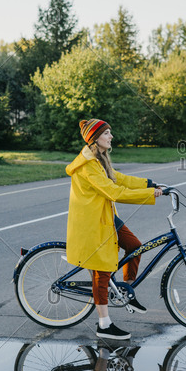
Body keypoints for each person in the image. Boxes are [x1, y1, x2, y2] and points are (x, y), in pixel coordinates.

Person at [66, 118, 163, 340]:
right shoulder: (88, 165)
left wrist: (149, 184)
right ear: (95, 138)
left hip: (106, 216)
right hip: (92, 223)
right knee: (102, 270)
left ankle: (125, 292)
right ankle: (104, 324)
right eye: (107, 133)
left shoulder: (100, 159)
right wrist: (149, 195)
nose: (111, 137)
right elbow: (115, 192)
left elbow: (119, 179)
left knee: (135, 246)